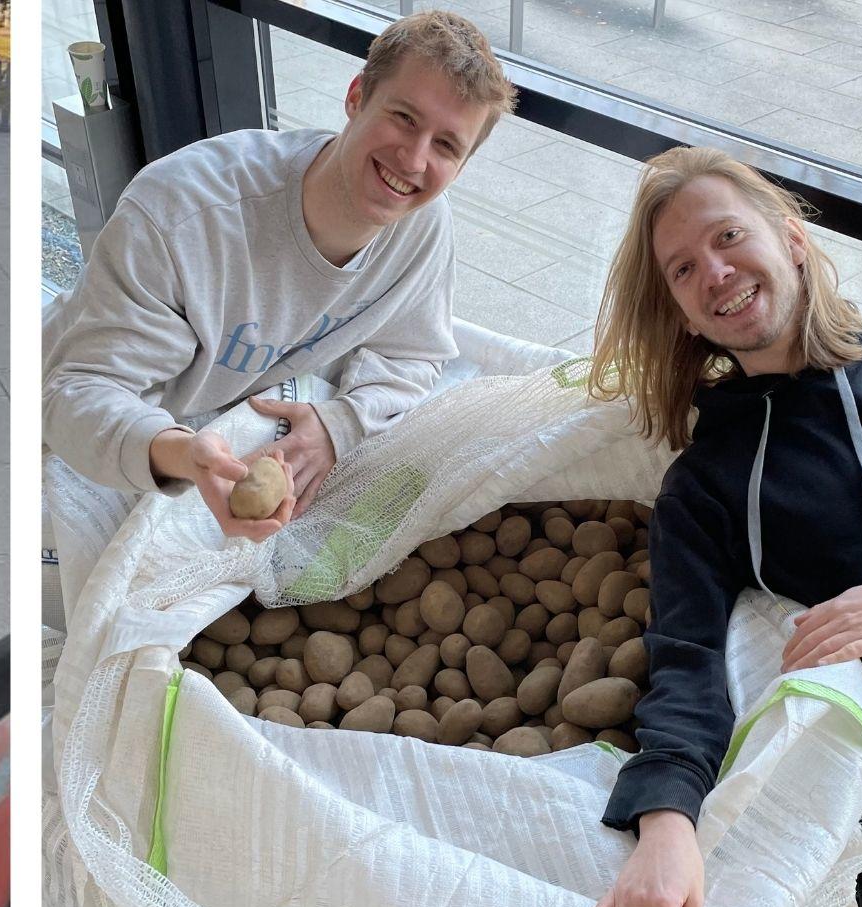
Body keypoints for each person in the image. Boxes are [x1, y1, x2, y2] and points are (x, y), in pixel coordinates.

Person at [584, 146, 862, 907]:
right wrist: (666, 827)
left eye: (729, 237)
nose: (716, 272)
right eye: (684, 270)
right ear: (683, 314)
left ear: (792, 237)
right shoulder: (706, 486)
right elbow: (685, 666)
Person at [41, 10, 516, 543]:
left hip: (220, 438)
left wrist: (342, 425)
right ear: (356, 96)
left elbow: (414, 354)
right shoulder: (182, 214)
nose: (413, 158)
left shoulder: (422, 226)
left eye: (446, 146)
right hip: (75, 444)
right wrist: (185, 456)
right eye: (404, 117)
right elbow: (75, 393)